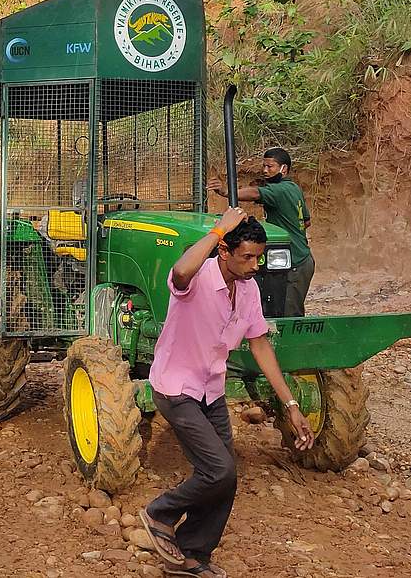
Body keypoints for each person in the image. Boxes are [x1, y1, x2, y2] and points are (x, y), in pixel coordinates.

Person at [141, 208, 314, 577]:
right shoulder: (198, 279)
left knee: (226, 475)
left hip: (210, 391)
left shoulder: (249, 291)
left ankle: (192, 555)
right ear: (224, 251)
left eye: (259, 257)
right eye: (247, 257)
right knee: (218, 469)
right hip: (176, 388)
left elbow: (261, 346)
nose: (255, 265)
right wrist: (220, 228)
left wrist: (292, 405)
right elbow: (181, 270)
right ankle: (161, 512)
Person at [210, 147, 314, 316]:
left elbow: (255, 193)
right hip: (302, 258)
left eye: (270, 166)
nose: (265, 170)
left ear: (284, 169)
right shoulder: (294, 188)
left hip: (296, 263)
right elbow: (307, 221)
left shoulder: (279, 190)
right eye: (263, 166)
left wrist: (226, 192)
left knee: (288, 315)